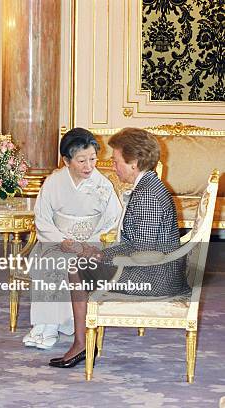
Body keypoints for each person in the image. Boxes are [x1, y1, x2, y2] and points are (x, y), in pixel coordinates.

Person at [49, 127, 189, 368]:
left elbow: (143, 252)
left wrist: (102, 255)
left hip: (156, 279)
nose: (113, 167)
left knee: (77, 269)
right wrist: (101, 254)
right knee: (82, 264)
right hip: (158, 270)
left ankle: (81, 344)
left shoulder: (148, 196)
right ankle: (82, 341)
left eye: (116, 161)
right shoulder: (147, 186)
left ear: (133, 163)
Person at [23, 128, 122, 349]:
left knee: (68, 265)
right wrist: (61, 240)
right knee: (46, 261)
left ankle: (51, 326)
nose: (89, 166)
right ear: (67, 161)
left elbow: (112, 220)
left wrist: (88, 244)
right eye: (81, 161)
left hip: (89, 244)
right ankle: (44, 324)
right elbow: (43, 218)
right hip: (57, 241)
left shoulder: (103, 186)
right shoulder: (53, 182)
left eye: (92, 159)